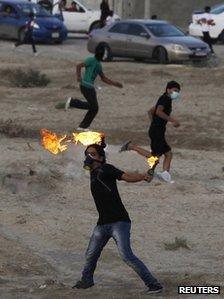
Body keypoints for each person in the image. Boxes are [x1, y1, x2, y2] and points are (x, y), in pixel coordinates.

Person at [72, 143, 163, 294]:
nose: (89, 157)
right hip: (102, 224)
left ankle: (154, 285)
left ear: (101, 157)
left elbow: (126, 177)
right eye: (87, 154)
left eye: (93, 154)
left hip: (119, 222)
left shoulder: (106, 168)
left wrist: (142, 176)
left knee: (126, 256)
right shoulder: (93, 172)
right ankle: (87, 280)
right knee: (91, 254)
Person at [120, 81, 181, 183]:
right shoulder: (164, 99)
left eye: (178, 91)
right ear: (168, 89)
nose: (176, 93)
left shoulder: (166, 99)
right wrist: (172, 120)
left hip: (157, 130)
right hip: (157, 131)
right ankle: (131, 146)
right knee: (155, 157)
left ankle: (161, 175)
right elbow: (158, 111)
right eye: (175, 90)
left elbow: (151, 111)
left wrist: (154, 123)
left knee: (166, 154)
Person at [55, 45, 123, 131]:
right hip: (85, 86)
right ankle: (73, 102)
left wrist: (115, 83)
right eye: (104, 54)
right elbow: (78, 66)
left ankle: (83, 126)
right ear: (101, 54)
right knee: (94, 107)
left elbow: (103, 78)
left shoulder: (98, 65)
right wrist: (79, 77)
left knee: (94, 108)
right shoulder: (91, 60)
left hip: (90, 87)